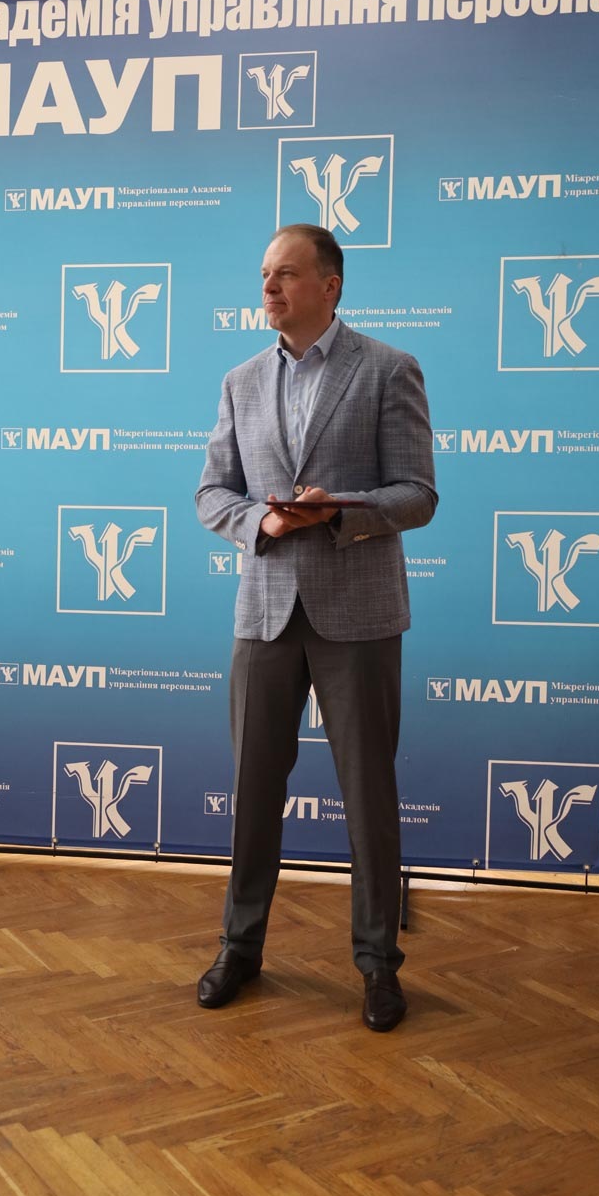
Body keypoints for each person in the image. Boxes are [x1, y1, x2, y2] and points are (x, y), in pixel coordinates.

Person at [194, 223, 437, 1031]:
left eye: (285, 274)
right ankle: (239, 948)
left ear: (329, 286)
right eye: (264, 274)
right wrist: (257, 524)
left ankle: (377, 965)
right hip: (264, 614)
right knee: (252, 792)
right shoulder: (239, 381)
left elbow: (417, 494)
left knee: (368, 794)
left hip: (358, 615)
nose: (268, 287)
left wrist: (341, 511)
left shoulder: (388, 369)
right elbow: (212, 494)